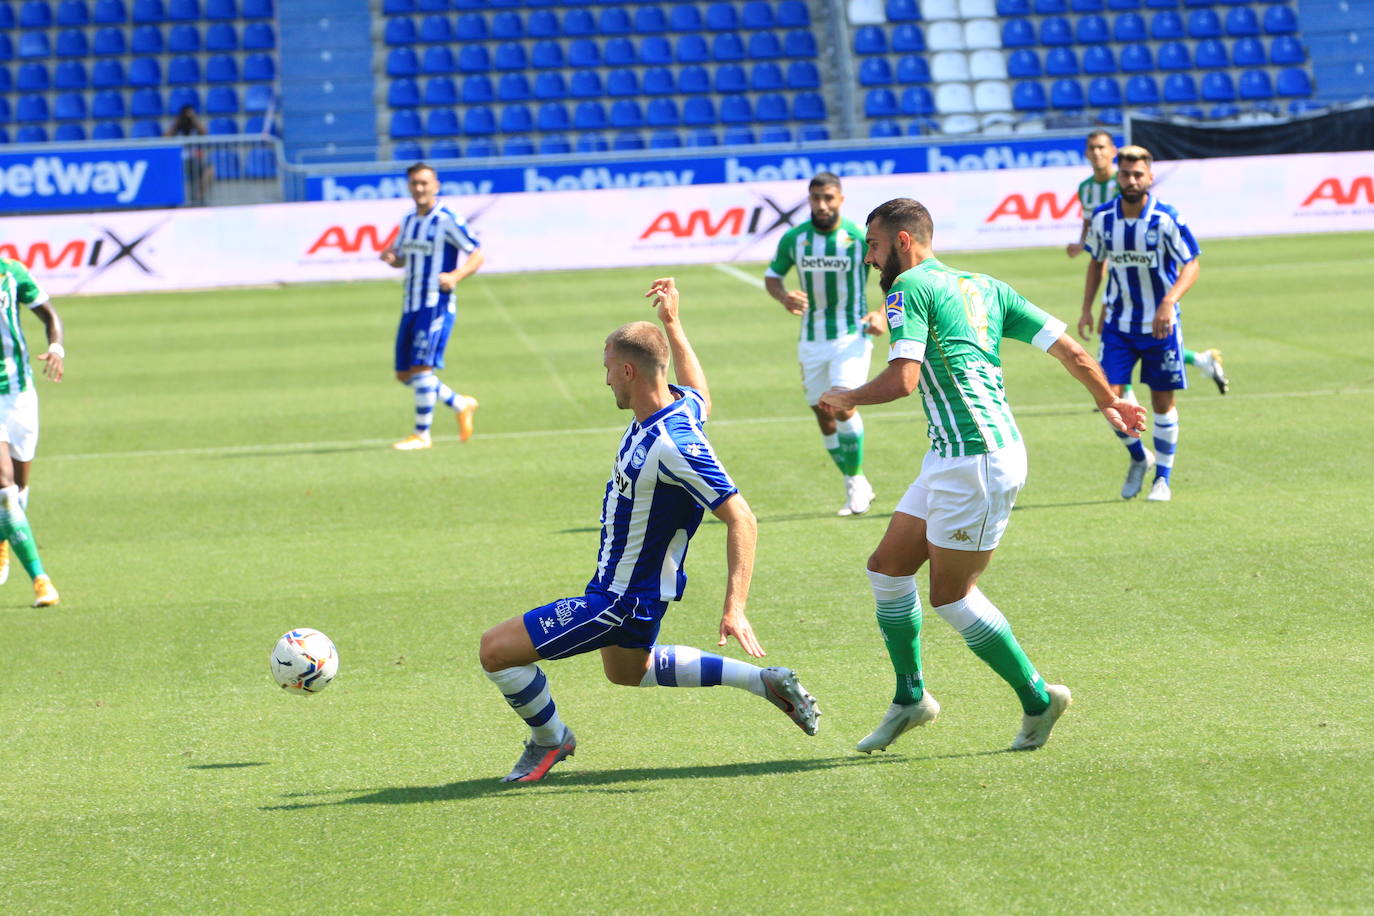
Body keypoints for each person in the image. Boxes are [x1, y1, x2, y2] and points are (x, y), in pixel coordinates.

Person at [820, 199, 1146, 753]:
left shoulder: (908, 289)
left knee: (951, 595)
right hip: (952, 454)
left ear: (902, 241)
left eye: (874, 247)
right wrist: (1109, 400)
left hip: (978, 461)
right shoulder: (984, 286)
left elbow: (904, 379)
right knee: (886, 570)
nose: (871, 260)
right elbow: (1069, 349)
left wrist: (846, 396)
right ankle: (910, 697)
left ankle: (1039, 698)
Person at [478, 278, 820, 783]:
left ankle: (550, 740)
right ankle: (762, 684)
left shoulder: (673, 442)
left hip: (621, 599)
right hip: (628, 591)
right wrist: (674, 325)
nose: (606, 382)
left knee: (495, 650)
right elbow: (701, 391)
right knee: (625, 671)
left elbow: (741, 517)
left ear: (630, 370)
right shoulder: (681, 405)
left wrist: (735, 606)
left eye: (608, 370)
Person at [1078, 144, 1203, 503]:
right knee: (1109, 398)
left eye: (1137, 174)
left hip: (1160, 326)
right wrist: (1087, 308)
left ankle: (1163, 479)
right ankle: (1139, 457)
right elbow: (1095, 263)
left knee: (1162, 402)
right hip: (1118, 323)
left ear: (1149, 178)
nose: (1130, 180)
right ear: (1118, 177)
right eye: (1125, 174)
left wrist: (1169, 301)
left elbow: (1191, 263)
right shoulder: (1103, 218)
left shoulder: (1166, 218)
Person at [1067, 130, 1229, 398]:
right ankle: (1195, 363)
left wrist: (1104, 300)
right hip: (1118, 282)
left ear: (1111, 152)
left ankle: (1125, 398)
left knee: (1132, 342)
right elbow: (1095, 238)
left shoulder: (1130, 192)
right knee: (1122, 344)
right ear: (1086, 152)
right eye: (1092, 148)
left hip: (1131, 288)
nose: (1097, 153)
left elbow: (1187, 261)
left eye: (1102, 148)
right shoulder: (1086, 189)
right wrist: (1080, 243)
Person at [764, 172, 886, 516]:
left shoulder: (859, 238)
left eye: (828, 198)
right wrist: (784, 296)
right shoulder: (795, 239)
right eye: (816, 198)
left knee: (844, 401)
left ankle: (854, 486)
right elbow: (773, 275)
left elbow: (892, 276)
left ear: (841, 200)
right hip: (811, 338)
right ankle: (857, 478)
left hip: (852, 334)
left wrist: (881, 314)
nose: (822, 205)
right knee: (823, 411)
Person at [379, 163, 483, 451]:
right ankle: (461, 404)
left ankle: (421, 434)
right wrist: (390, 257)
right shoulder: (409, 221)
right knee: (405, 374)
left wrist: (455, 276)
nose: (420, 188)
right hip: (410, 303)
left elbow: (476, 254)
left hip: (435, 304)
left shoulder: (447, 219)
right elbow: (402, 257)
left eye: (425, 183)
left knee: (422, 370)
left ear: (436, 185)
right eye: (414, 183)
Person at [0, 258, 63, 608]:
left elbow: (51, 316)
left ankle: (3, 537)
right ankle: (42, 580)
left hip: (21, 394)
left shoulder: (11, 273)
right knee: (6, 491)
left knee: (19, 493)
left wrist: (56, 347)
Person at [166, 105, 212, 207]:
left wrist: (194, 119)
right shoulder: (177, 127)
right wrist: (177, 122)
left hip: (194, 159)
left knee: (210, 170)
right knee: (169, 172)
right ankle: (173, 200)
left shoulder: (195, 127)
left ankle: (198, 197)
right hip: (179, 160)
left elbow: (205, 133)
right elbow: (166, 137)